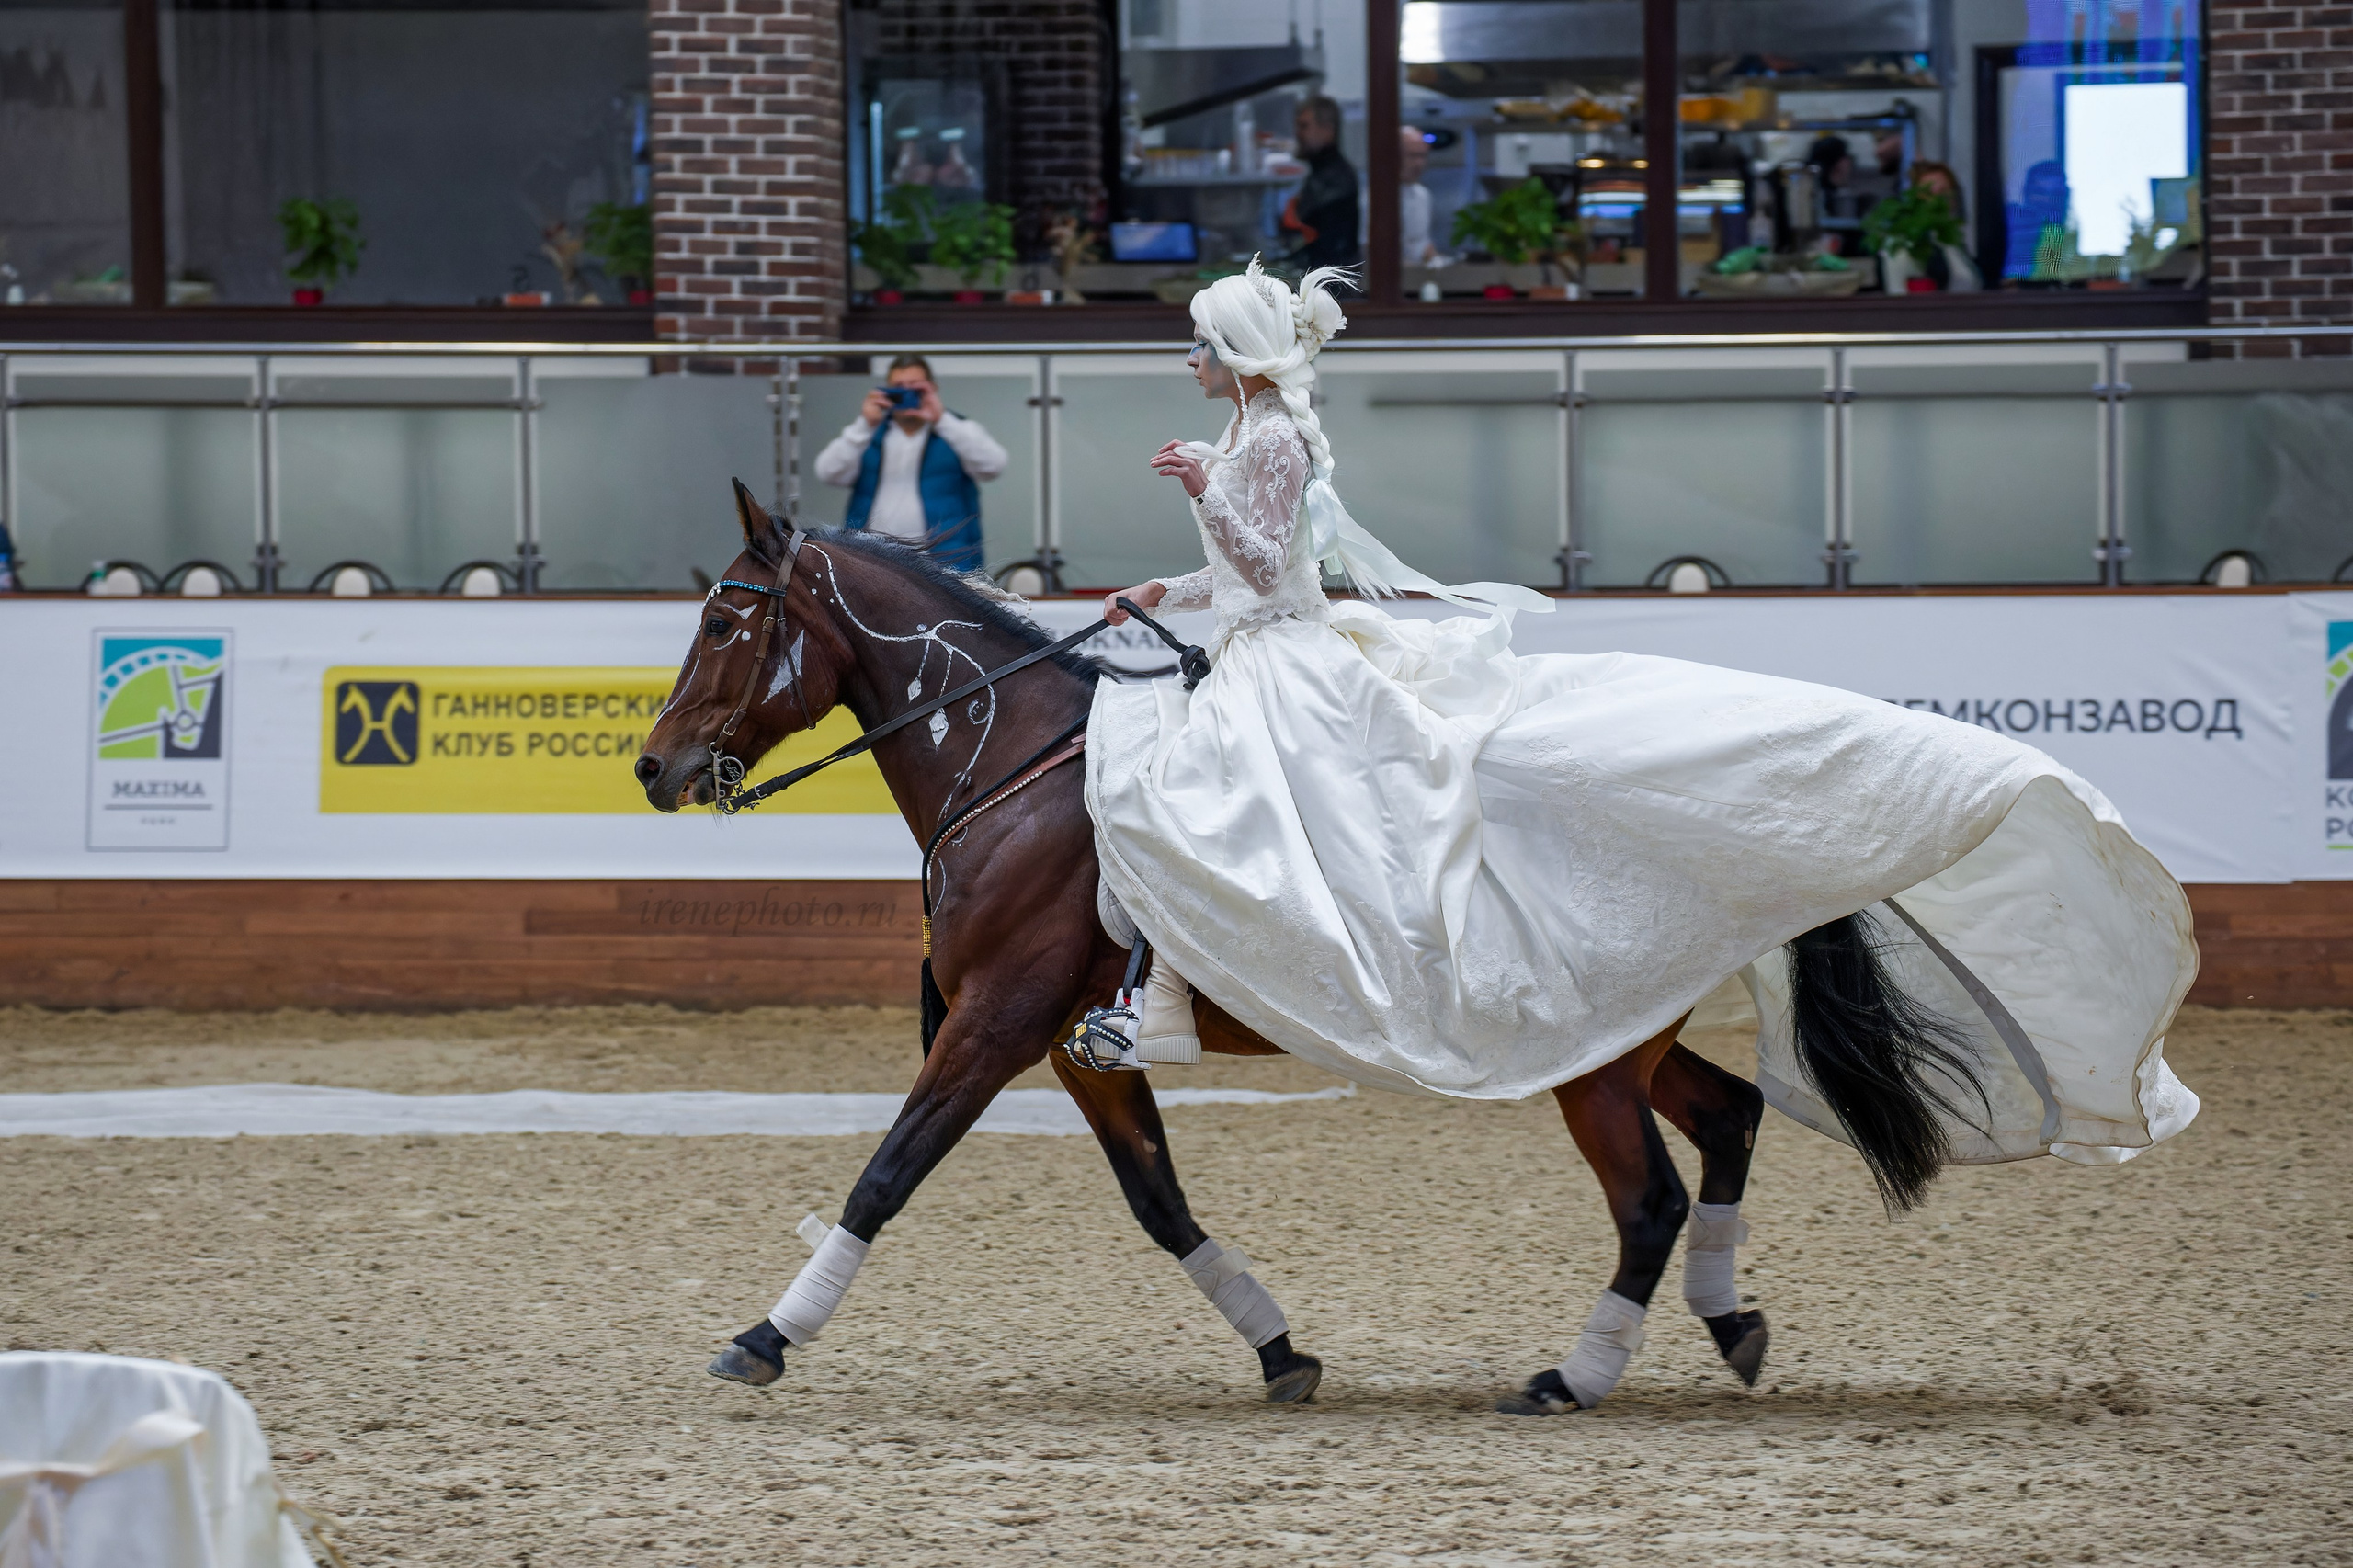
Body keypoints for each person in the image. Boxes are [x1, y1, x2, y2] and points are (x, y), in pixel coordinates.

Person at [1077, 260, 2195, 1408]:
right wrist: (1165, 587)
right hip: (1271, 641)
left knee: (1193, 797)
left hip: (1289, 666)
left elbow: (1270, 569)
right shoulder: (1252, 433)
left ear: (1242, 353)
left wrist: (1199, 489)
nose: (1188, 360)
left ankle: (1161, 999)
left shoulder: (1258, 440)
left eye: (1199, 343)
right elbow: (1257, 572)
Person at [813, 353, 1006, 574]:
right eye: (899, 387)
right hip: (873, 563)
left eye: (915, 388)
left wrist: (941, 419)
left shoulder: (955, 430)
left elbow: (993, 466)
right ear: (887, 391)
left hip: (945, 564)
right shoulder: (868, 434)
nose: (906, 394)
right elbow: (828, 472)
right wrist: (865, 425)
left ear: (931, 389)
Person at [1279, 96, 1360, 270]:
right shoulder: (1322, 174)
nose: (1298, 134)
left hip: (1331, 284)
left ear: (1327, 130)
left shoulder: (1336, 178)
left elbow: (1306, 228)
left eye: (1305, 126)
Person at [1399, 124, 1439, 267]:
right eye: (1412, 156)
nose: (1419, 163)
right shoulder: (1373, 199)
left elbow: (1424, 245)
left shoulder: (1422, 195)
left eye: (1422, 156)